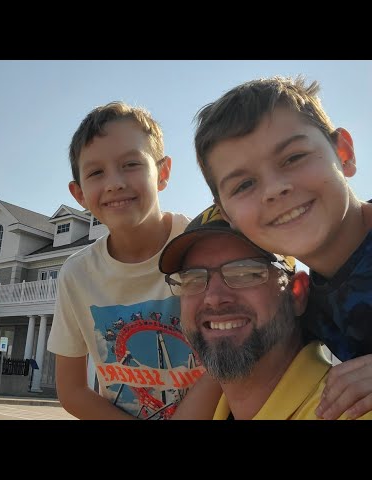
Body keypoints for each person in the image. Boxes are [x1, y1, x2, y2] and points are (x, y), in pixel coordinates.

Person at [193, 75, 372, 419]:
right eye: (244, 184)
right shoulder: (309, 304)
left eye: (293, 158)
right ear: (226, 212)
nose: (274, 189)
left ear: (344, 154)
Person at [47, 101, 219, 420]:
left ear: (163, 172)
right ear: (79, 193)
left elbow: (231, 355)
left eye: (131, 164)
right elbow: (71, 390)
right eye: (96, 172)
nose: (114, 182)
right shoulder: (77, 274)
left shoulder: (206, 244)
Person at [159, 205, 372, 419]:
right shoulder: (215, 410)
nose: (213, 298)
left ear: (297, 293)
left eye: (246, 273)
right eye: (193, 279)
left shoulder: (353, 410)